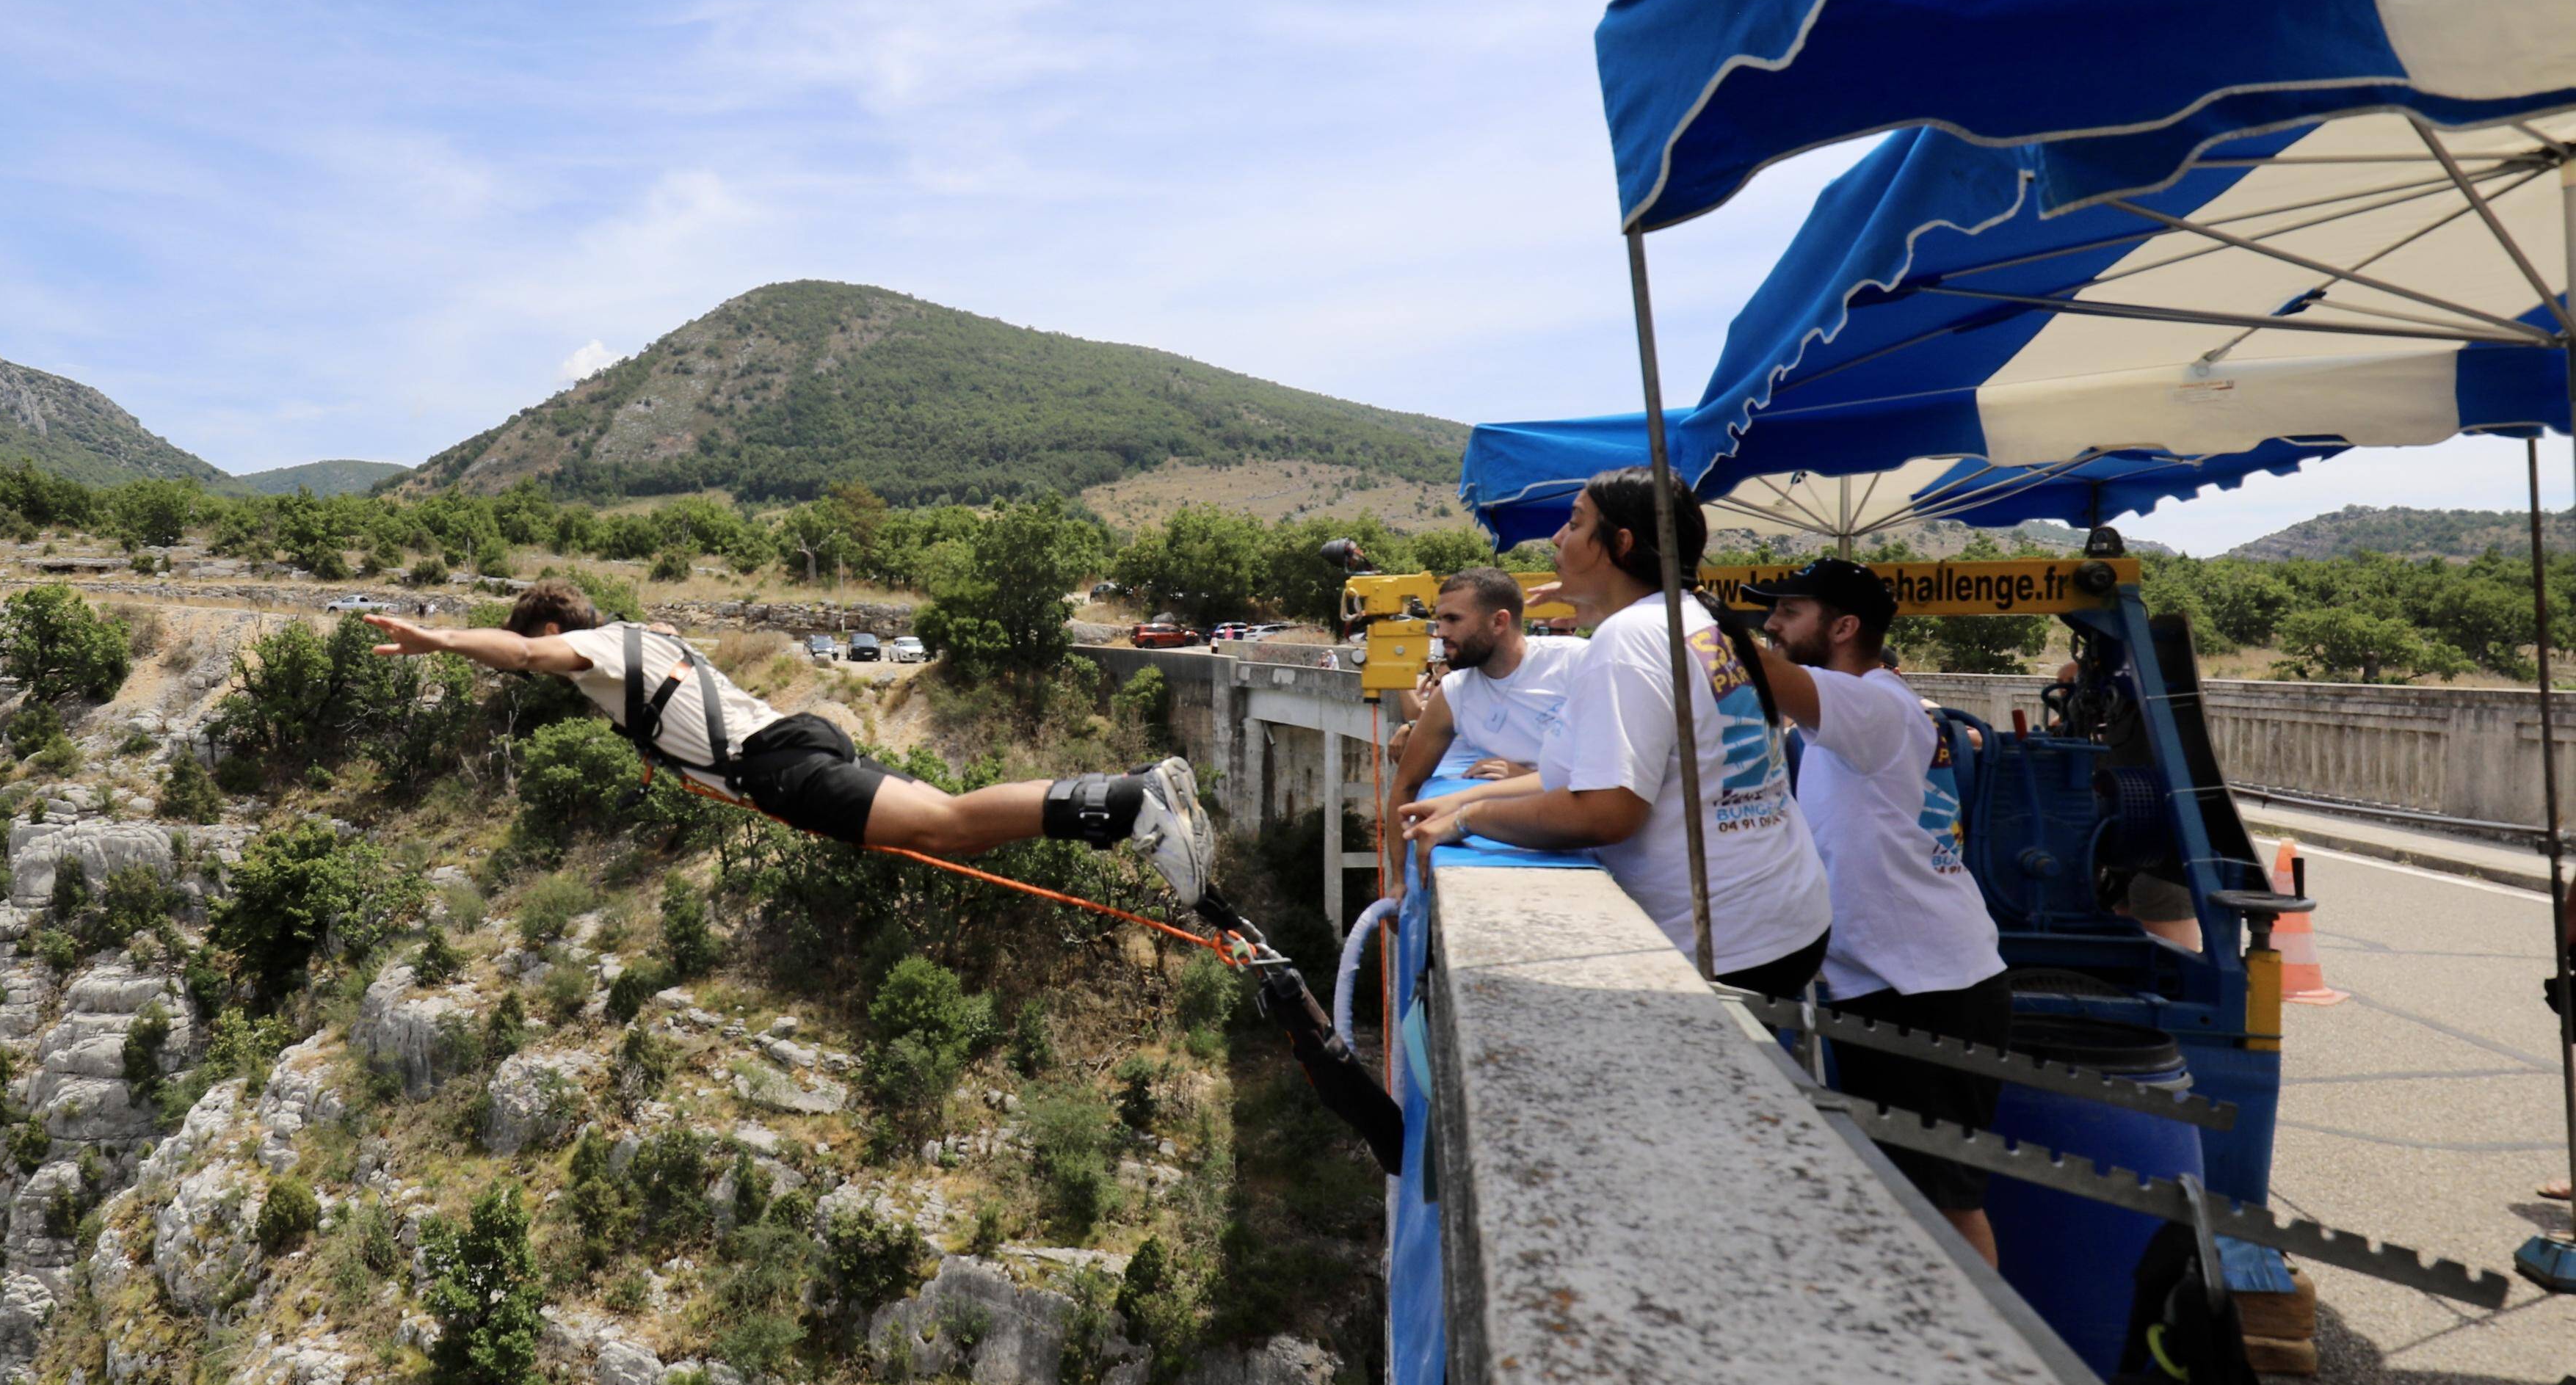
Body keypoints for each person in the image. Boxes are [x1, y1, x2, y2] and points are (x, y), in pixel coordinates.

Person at [365, 584, 1219, 904]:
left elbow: (520, 651)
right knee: (945, 821)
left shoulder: (589, 651)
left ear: (555, 628)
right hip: (798, 736)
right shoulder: (644, 635)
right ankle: (1146, 788)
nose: (541, 669)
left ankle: (1126, 804)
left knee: (949, 826)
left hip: (776, 765)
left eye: (543, 651)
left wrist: (437, 641)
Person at [1398, 468, 1832, 997]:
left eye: (1576, 523)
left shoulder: (1627, 641)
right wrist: (1470, 799)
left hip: (1725, 943)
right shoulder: (1692, 618)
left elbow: (1607, 811)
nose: (1558, 537)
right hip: (1786, 916)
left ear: (1620, 544)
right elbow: (1593, 775)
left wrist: (1470, 818)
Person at [1736, 557, 2011, 1262]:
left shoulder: (1873, 704)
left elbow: (1760, 671)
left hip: (1930, 988)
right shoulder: (1847, 718)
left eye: (1789, 611)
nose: (1772, 624)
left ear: (1844, 626)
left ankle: (1987, 1360)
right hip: (1891, 980)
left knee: (1945, 1203)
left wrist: (1672, 608)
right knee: (1897, 1190)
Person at [1383, 565, 1584, 793]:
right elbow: (1406, 785)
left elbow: (1618, 777)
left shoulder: (1577, 662)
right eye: (1440, 620)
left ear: (1498, 622)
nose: (1441, 633)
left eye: (1453, 619)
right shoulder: (1455, 691)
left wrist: (1530, 780)